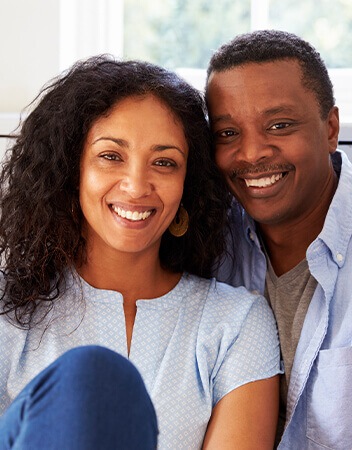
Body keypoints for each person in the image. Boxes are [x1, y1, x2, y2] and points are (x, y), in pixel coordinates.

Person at [0, 55, 281, 449]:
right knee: (91, 375)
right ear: (71, 168)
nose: (136, 186)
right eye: (111, 156)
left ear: (188, 184)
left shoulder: (233, 325)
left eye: (164, 163)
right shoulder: (7, 312)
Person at [206, 29, 352, 449]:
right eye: (228, 133)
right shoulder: (206, 243)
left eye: (279, 125)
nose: (252, 154)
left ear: (330, 128)